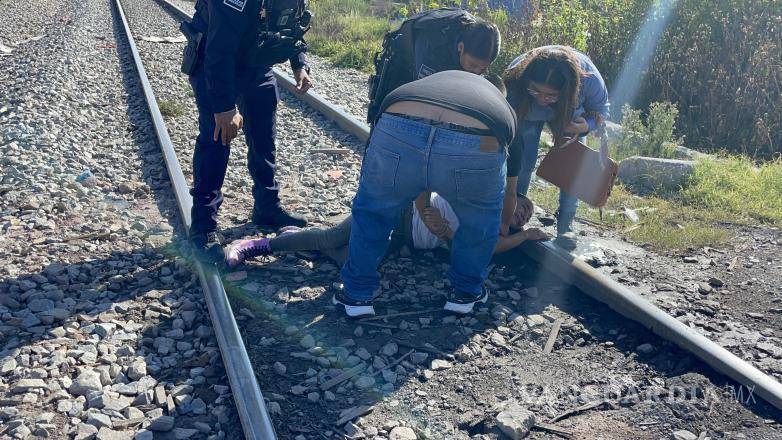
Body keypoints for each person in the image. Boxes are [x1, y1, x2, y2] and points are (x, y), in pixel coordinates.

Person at [337, 70, 519, 318]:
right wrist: (506, 223)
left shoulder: (444, 77)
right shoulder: (499, 104)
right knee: (479, 220)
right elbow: (504, 199)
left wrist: (423, 206)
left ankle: (356, 295)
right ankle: (464, 293)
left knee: (373, 212)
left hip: (397, 123)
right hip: (477, 137)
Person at [184, 0, 313, 262]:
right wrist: (223, 107)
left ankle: (267, 207)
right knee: (217, 139)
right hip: (214, 63)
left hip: (255, 64)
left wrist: (299, 64)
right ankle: (203, 225)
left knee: (264, 137)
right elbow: (218, 50)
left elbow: (293, 25)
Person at [224, 192, 547, 267]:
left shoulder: (493, 233)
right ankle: (259, 245)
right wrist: (524, 235)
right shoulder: (485, 201)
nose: (522, 214)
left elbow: (489, 249)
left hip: (403, 238)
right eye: (521, 205)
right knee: (333, 236)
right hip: (399, 208)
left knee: (349, 261)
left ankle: (295, 241)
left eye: (526, 217)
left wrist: (521, 235)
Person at [503, 45, 610, 250]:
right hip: (526, 114)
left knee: (573, 167)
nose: (542, 99)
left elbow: (602, 108)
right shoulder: (517, 73)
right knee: (523, 161)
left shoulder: (590, 79)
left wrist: (587, 125)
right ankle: (514, 213)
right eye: (536, 90)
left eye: (550, 95)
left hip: (570, 116)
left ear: (568, 89)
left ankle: (566, 224)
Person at [366, 8, 501, 123]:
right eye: (473, 65)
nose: (476, 72)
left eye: (482, 68)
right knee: (386, 118)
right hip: (401, 63)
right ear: (461, 47)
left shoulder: (475, 41)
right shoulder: (433, 47)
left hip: (433, 59)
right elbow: (426, 99)